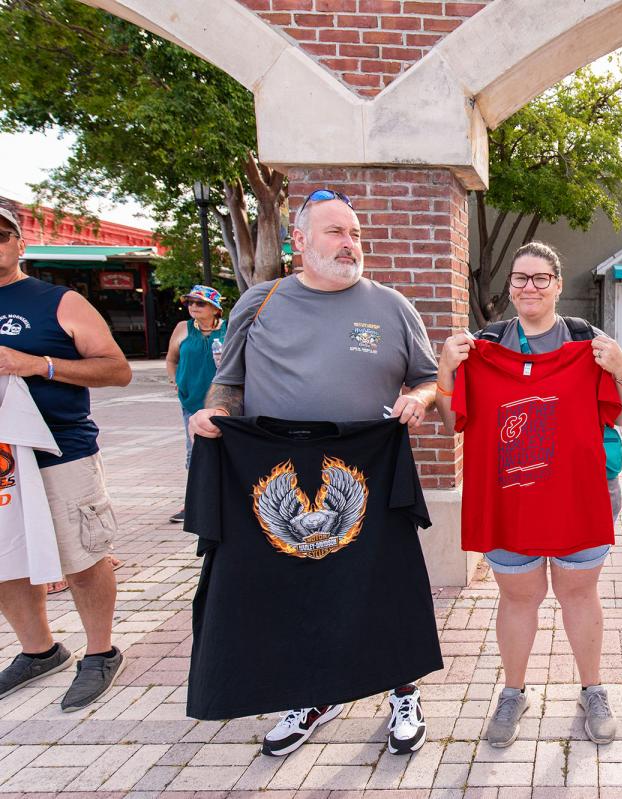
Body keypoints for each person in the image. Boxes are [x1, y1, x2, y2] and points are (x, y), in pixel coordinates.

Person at [189, 188, 441, 756]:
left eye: (355, 233)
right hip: (273, 474)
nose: (350, 243)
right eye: (336, 232)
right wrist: (213, 414)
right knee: (294, 594)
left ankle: (403, 690)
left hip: (368, 473)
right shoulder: (260, 302)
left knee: (384, 587)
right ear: (299, 241)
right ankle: (310, 695)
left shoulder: (391, 305)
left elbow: (429, 379)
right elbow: (229, 384)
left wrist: (420, 399)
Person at [434, 241, 622, 748]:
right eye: (521, 278)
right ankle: (513, 693)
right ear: (510, 287)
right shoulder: (484, 348)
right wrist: (445, 368)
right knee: (518, 596)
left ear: (557, 284)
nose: (530, 287)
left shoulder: (587, 345)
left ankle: (593, 689)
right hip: (512, 500)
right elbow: (452, 420)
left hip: (579, 496)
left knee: (579, 594)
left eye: (540, 278)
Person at [0, 200, 133, 711]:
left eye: (1, 235)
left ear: (20, 244)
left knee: (82, 554)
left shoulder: (59, 301)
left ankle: (100, 652)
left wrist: (38, 364)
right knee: (7, 558)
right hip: (2, 461)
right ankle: (39, 651)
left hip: (59, 451)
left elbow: (117, 370)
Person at [164, 285, 226, 523]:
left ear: (215, 308)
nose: (193, 307)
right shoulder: (183, 328)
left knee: (226, 448)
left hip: (224, 400)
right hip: (192, 399)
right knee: (195, 451)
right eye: (190, 302)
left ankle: (224, 499)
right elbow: (172, 359)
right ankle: (194, 503)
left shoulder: (229, 328)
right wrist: (175, 380)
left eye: (200, 303)